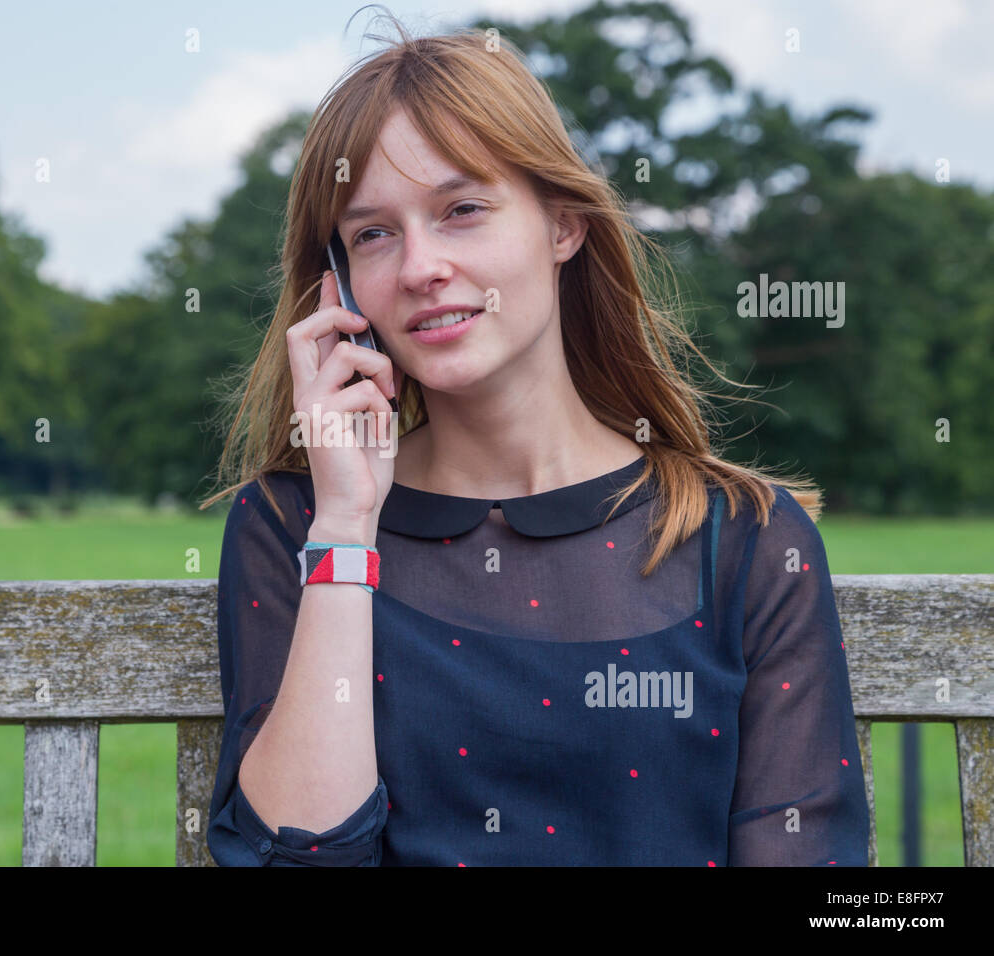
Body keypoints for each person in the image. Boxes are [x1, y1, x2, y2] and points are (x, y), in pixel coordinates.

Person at [197, 22, 870, 866]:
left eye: (462, 210)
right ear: (337, 287)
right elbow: (300, 857)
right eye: (372, 233)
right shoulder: (294, 522)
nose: (419, 267)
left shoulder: (742, 538)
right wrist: (344, 528)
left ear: (564, 225)